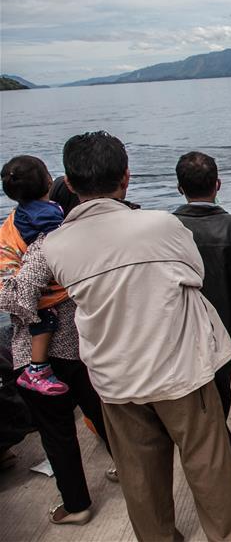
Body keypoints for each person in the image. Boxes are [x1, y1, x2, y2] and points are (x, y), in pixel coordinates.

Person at [40, 131, 231, 541]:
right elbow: (194, 275)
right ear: (126, 176)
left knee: (139, 471)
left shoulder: (55, 245)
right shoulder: (161, 225)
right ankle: (230, 533)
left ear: (69, 183)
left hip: (114, 374)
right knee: (205, 456)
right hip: (178, 365)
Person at [0, 158, 117, 526]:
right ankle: (130, 468)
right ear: (50, 181)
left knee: (57, 432)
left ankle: (77, 504)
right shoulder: (67, 225)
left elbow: (15, 296)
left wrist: (26, 292)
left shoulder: (21, 236)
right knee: (103, 411)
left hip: (43, 352)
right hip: (83, 339)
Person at [173, 151, 231, 475]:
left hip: (182, 329)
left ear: (180, 188)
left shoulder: (168, 230)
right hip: (230, 327)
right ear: (217, 184)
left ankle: (222, 454)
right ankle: (226, 455)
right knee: (219, 391)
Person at [1, 156, 69, 396]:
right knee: (44, 319)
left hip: (17, 276)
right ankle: (37, 369)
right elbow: (59, 240)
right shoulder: (46, 215)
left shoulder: (21, 213)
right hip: (34, 289)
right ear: (49, 181)